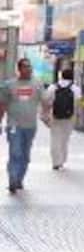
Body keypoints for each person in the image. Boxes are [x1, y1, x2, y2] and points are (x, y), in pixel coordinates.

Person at [0, 59, 42, 193]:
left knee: (25, 155)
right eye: (25, 67)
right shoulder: (9, 85)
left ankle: (19, 179)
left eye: (30, 67)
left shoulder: (37, 84)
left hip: (30, 126)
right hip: (14, 125)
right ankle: (12, 179)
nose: (29, 69)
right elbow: (2, 104)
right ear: (19, 69)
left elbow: (45, 100)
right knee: (15, 152)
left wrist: (47, 114)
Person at [42, 66, 81, 170]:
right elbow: (78, 104)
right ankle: (62, 160)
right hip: (70, 117)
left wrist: (45, 115)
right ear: (72, 77)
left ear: (61, 76)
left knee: (55, 138)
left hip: (55, 116)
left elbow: (46, 101)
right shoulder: (75, 88)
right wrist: (79, 117)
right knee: (65, 139)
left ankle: (56, 162)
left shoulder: (53, 87)